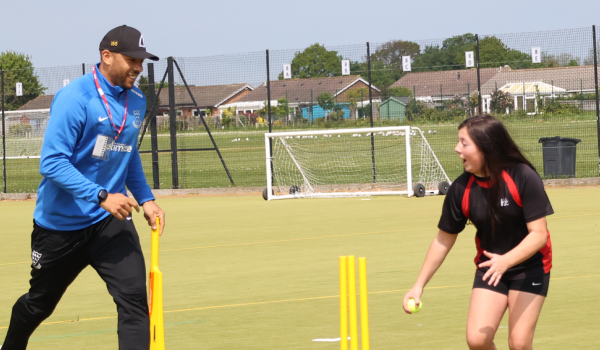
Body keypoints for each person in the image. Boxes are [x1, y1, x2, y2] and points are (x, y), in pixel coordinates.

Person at [2, 25, 165, 350]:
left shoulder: (137, 100)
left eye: (142, 61)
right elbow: (51, 163)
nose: (138, 67)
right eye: (132, 59)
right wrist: (100, 195)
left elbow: (126, 149)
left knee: (133, 301)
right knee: (39, 305)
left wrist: (146, 198)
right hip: (61, 226)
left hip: (110, 223)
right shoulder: (75, 98)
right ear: (106, 56)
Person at [403, 115, 553, 350]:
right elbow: (443, 240)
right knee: (477, 340)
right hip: (489, 269)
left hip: (530, 267)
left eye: (464, 143)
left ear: (486, 147)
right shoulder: (461, 189)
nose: (457, 149)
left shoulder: (522, 177)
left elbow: (539, 235)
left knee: (520, 343)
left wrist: (506, 261)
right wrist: (418, 285)